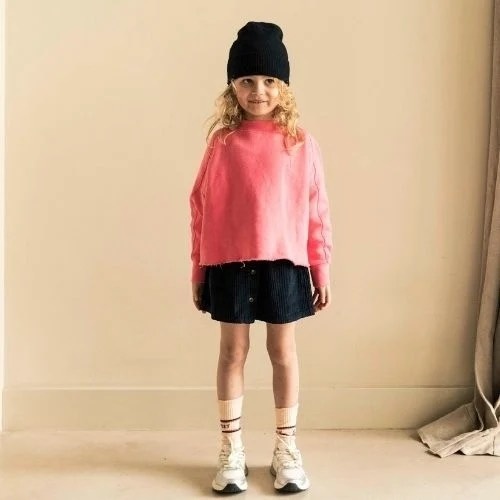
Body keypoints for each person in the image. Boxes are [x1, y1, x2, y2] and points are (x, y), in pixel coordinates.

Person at [189, 21, 333, 494]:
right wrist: (199, 268)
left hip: (284, 264)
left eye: (270, 80)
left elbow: (316, 210)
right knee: (232, 352)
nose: (258, 91)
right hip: (229, 264)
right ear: (232, 85)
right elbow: (202, 207)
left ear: (284, 85)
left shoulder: (300, 143)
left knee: (283, 353)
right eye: (247, 80)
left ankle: (285, 448)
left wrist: (320, 267)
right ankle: (231, 451)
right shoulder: (222, 143)